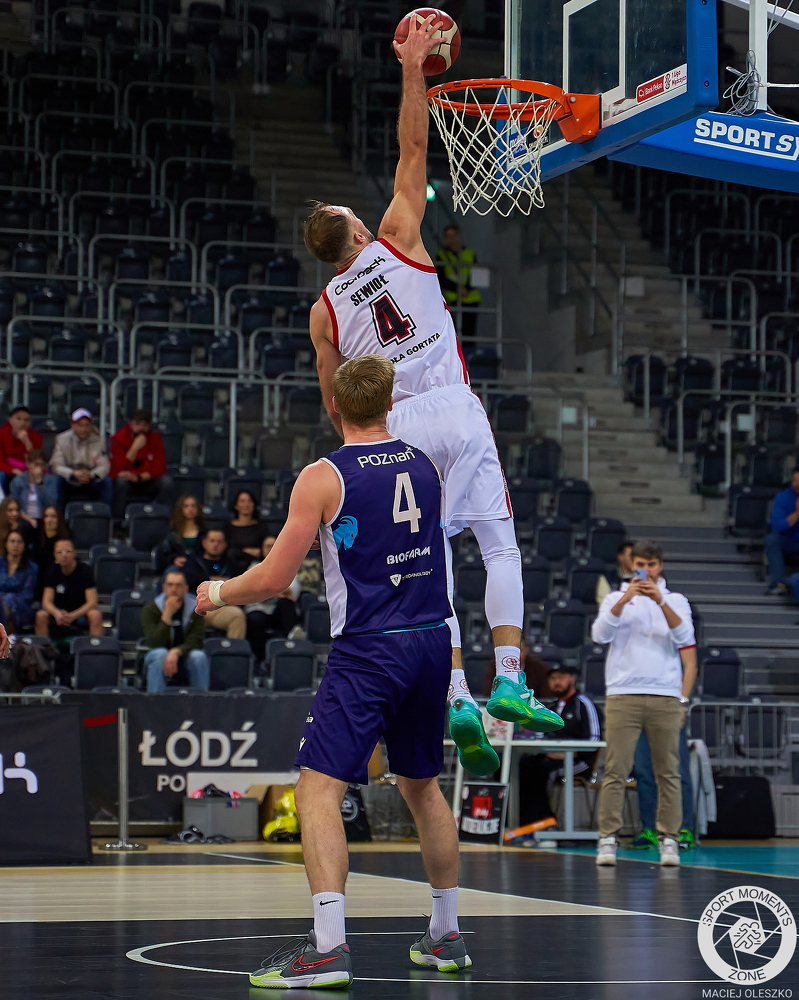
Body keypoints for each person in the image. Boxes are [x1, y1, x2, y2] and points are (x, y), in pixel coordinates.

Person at [303, 12, 561, 777]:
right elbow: (413, 147)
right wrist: (413, 66)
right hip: (453, 402)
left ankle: (455, 694)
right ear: (355, 231)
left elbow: (335, 406)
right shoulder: (397, 235)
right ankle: (508, 678)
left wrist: (365, 453)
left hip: (395, 430)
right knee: (498, 542)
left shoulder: (323, 312)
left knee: (430, 561)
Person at [195, 354, 472, 988]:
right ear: (390, 403)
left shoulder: (323, 477)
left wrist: (218, 593)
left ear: (335, 407)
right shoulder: (426, 465)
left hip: (370, 646)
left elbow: (275, 578)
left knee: (317, 790)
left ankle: (327, 947)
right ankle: (446, 934)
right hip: (430, 639)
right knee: (422, 786)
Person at [591, 540, 695, 868]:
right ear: (632, 565)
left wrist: (659, 600)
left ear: (659, 566)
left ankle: (670, 839)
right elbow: (599, 635)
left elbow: (685, 637)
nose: (646, 570)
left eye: (651, 564)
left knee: (669, 772)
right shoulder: (615, 598)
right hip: (623, 693)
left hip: (665, 694)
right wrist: (626, 598)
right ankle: (608, 838)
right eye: (641, 564)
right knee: (616, 770)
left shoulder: (676, 600)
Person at [630, 645, 698, 850]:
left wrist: (682, 704)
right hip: (640, 709)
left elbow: (691, 666)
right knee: (644, 772)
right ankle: (650, 829)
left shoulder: (672, 639)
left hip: (669, 707)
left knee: (677, 771)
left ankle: (684, 829)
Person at [518, 663, 602, 826]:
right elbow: (540, 736)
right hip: (549, 757)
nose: (556, 682)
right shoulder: (550, 708)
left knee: (543, 773)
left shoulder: (584, 704)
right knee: (523, 766)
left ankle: (546, 822)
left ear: (572, 679)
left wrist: (568, 754)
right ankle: (527, 822)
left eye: (561, 677)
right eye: (553, 678)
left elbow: (594, 740)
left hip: (579, 762)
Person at [141, 568, 209, 693]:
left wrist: (177, 651)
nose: (173, 589)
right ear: (163, 588)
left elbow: (196, 640)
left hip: (184, 656)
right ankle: (154, 700)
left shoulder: (196, 609)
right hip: (155, 656)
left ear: (186, 589)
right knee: (160, 654)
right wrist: (167, 615)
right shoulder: (150, 609)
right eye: (170, 585)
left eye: (178, 585)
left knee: (198, 656)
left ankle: (201, 701)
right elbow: (153, 642)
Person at [245, 535, 301, 661]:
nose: (271, 549)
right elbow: (253, 591)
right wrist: (278, 590)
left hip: (277, 611)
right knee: (255, 619)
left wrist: (268, 591)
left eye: (274, 545)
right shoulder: (254, 567)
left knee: (286, 603)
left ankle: (293, 643)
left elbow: (293, 591)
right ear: (262, 549)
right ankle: (261, 660)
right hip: (258, 609)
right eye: (268, 546)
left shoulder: (288, 566)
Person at [35, 538, 103, 640]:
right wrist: (57, 614)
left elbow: (92, 602)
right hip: (58, 613)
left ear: (74, 553)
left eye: (68, 551)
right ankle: (43, 647)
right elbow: (46, 601)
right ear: (55, 555)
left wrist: (73, 615)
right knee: (41, 615)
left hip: (79, 613)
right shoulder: (52, 570)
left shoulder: (85, 570)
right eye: (59, 552)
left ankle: (95, 647)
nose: (64, 555)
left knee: (95, 615)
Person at [183, 529, 246, 639]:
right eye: (212, 541)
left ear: (225, 544)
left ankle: (233, 649)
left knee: (237, 615)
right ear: (204, 543)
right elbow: (186, 580)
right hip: (194, 607)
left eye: (219, 542)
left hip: (220, 608)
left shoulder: (232, 564)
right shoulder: (192, 561)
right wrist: (209, 580)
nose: (215, 545)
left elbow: (241, 586)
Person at [110, 409, 172, 519]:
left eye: (145, 425)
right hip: (128, 481)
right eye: (137, 424)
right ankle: (118, 521)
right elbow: (119, 466)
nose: (141, 428)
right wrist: (134, 448)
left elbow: (160, 468)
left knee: (166, 481)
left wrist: (139, 477)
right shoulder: (118, 438)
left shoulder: (155, 438)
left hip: (146, 480)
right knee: (120, 482)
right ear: (131, 424)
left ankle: (160, 516)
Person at [49, 408, 113, 507]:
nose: (83, 429)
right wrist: (73, 473)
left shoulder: (98, 441)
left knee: (106, 481)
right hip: (70, 477)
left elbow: (104, 466)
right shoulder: (62, 439)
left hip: (90, 478)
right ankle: (58, 513)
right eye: (80, 425)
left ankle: (104, 512)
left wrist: (91, 474)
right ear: (73, 425)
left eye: (86, 425)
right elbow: (56, 465)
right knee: (57, 480)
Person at [436, 223, 482, 348]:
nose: (452, 239)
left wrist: (466, 289)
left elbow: (477, 275)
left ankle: (469, 355)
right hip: (453, 300)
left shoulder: (469, 253)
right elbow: (441, 278)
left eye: (454, 235)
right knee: (453, 333)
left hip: (471, 298)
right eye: (448, 236)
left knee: (469, 333)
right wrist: (457, 289)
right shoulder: (441, 255)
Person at [766, 468, 799, 596]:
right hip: (789, 540)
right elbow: (776, 526)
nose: (796, 484)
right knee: (772, 539)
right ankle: (779, 583)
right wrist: (796, 514)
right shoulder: (783, 497)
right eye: (794, 480)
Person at [10, 449, 60, 526]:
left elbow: (51, 503)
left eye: (42, 465)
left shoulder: (50, 480)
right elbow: (13, 504)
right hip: (23, 518)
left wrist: (40, 484)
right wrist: (27, 518)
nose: (39, 468)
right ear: (28, 464)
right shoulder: (18, 481)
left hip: (43, 519)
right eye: (36, 464)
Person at [0, 529, 38, 632]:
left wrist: (5, 600)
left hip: (21, 606)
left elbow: (27, 595)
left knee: (6, 605)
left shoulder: (31, 568)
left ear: (24, 545)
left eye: (19, 541)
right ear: (6, 544)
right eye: (12, 541)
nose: (15, 545)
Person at [156, 494, 205, 573]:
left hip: (198, 567)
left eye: (193, 506)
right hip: (177, 567)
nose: (190, 509)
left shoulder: (204, 532)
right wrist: (174, 559)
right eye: (186, 506)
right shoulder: (172, 533)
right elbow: (165, 552)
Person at [0, 406, 43, 490]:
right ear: (10, 420)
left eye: (26, 420)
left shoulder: (37, 437)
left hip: (27, 469)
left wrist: (27, 443)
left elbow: (36, 461)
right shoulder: (1, 434)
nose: (22, 423)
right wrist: (12, 470)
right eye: (18, 419)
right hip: (6, 469)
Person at [225, 490, 267, 575]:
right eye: (242, 501)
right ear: (236, 506)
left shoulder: (262, 527)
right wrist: (245, 551)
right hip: (232, 567)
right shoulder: (228, 528)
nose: (246, 504)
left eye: (249, 501)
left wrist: (241, 552)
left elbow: (264, 549)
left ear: (254, 504)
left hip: (256, 567)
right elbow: (228, 551)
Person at [33, 505, 70, 601]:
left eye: (53, 516)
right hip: (38, 576)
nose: (49, 520)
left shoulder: (66, 537)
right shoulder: (35, 536)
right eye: (46, 516)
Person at [595, 540, 633, 605]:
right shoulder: (607, 578)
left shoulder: (643, 577)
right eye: (631, 556)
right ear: (621, 557)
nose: (635, 559)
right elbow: (604, 604)